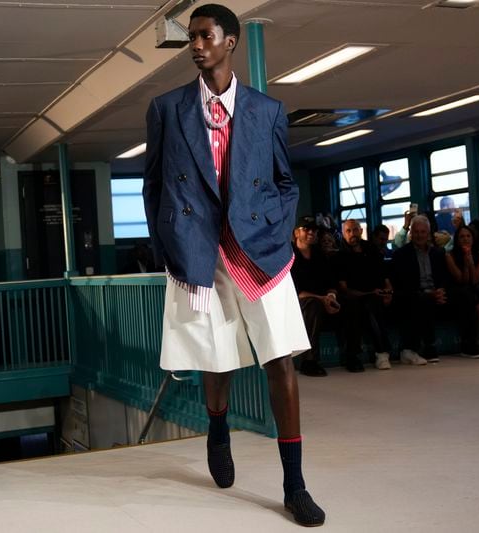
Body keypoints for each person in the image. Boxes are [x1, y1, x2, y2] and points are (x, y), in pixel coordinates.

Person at [142, 5, 324, 526]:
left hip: (258, 251)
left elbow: (285, 182)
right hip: (199, 249)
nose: (196, 45)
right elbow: (153, 186)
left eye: (205, 36)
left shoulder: (266, 110)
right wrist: (168, 242)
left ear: (230, 43)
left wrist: (272, 226)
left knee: (281, 358)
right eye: (191, 37)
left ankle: (295, 484)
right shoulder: (166, 108)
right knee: (214, 359)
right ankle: (218, 429)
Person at [390, 215, 449, 364]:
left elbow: (443, 276)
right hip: (413, 294)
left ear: (428, 234)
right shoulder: (401, 254)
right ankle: (426, 346)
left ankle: (470, 342)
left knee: (466, 296)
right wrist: (429, 294)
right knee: (422, 300)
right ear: (411, 233)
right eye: (416, 232)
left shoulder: (438, 253)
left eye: (423, 232)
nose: (419, 235)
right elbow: (403, 284)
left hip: (435, 292)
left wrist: (441, 290)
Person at [337, 219, 394, 371]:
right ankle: (353, 356)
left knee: (374, 302)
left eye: (355, 230)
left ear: (361, 231)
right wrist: (369, 293)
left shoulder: (371, 249)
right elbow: (344, 288)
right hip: (352, 296)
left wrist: (389, 291)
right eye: (348, 231)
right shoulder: (340, 255)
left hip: (374, 293)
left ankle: (383, 354)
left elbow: (384, 275)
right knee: (360, 304)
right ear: (343, 234)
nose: (352, 234)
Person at [291, 216, 340, 377]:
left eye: (314, 229)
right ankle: (309, 361)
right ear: (296, 233)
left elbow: (331, 281)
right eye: (306, 229)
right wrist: (322, 299)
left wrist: (331, 297)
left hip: (321, 300)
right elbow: (295, 291)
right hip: (296, 302)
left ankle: (353, 355)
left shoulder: (320, 255)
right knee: (313, 305)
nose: (311, 232)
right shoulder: (289, 255)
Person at [445, 225, 479, 358]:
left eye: (468, 236)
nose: (465, 239)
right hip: (455, 289)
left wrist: (470, 261)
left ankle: (475, 341)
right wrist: (465, 262)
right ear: (457, 239)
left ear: (473, 239)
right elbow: (462, 280)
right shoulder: (449, 255)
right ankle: (469, 342)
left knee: (478, 303)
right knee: (469, 296)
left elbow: (475, 280)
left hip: (473, 288)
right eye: (462, 236)